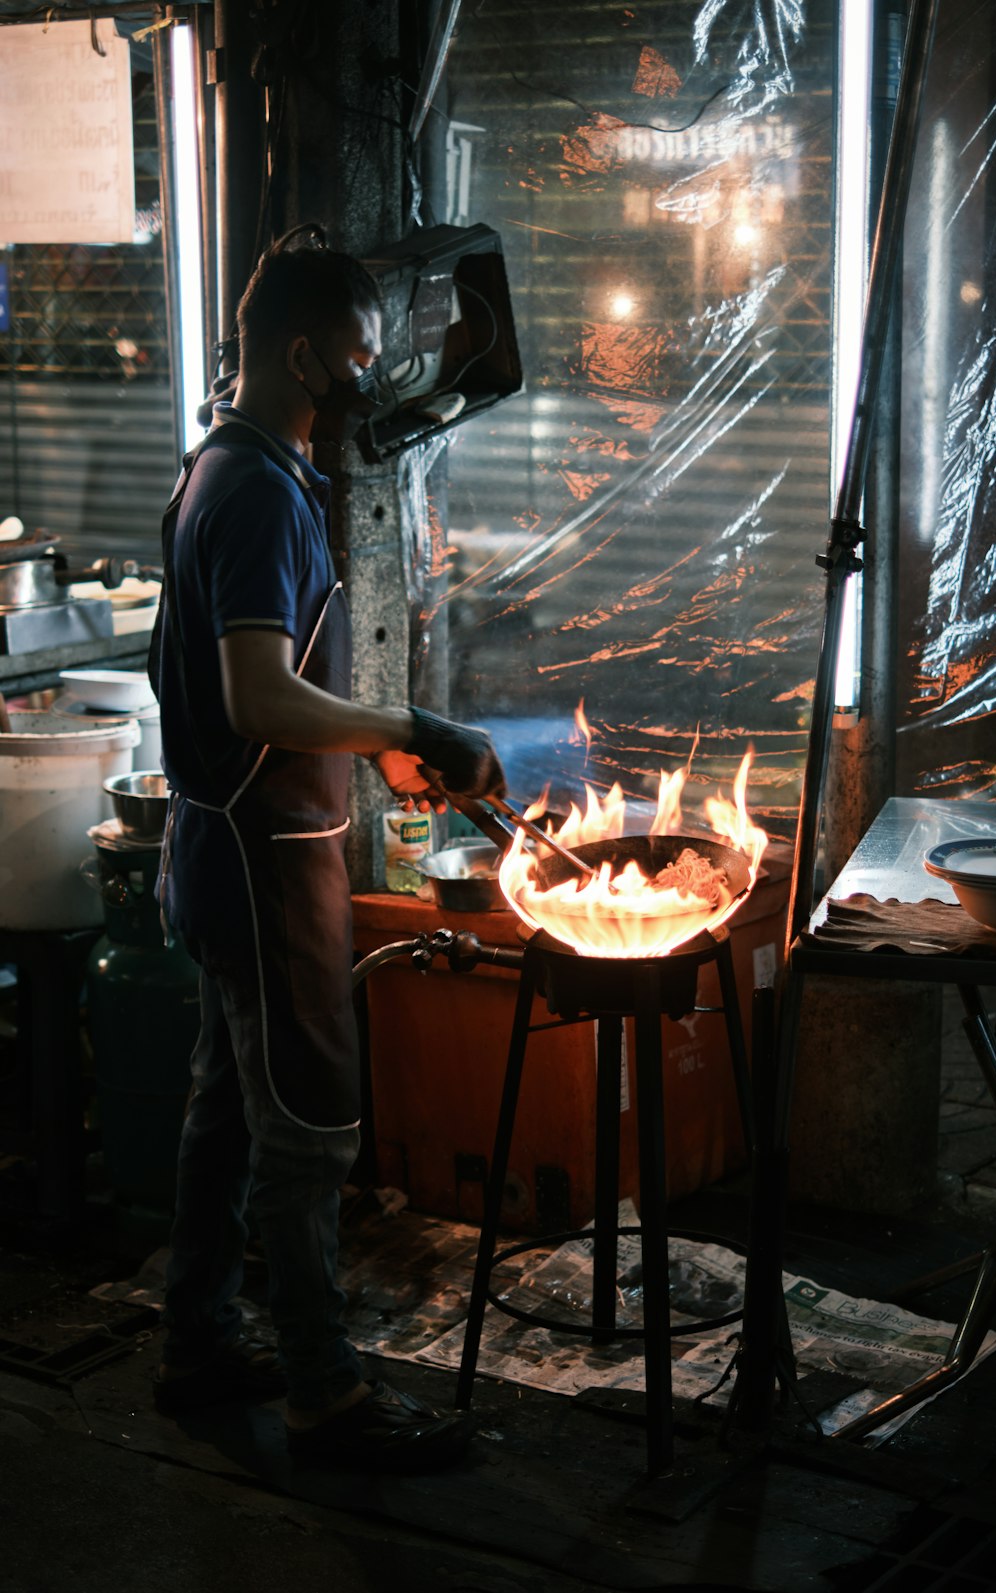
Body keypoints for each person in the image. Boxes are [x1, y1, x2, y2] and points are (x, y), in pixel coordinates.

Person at [148, 225, 507, 1473]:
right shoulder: (252, 492)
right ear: (303, 355)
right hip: (262, 858)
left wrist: (376, 748)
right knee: (306, 1128)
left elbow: (278, 692)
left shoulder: (232, 466)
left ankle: (196, 1341)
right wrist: (405, 723)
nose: (369, 377)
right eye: (356, 355)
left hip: (231, 848)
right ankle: (325, 1396)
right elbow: (257, 698)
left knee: (223, 1117)